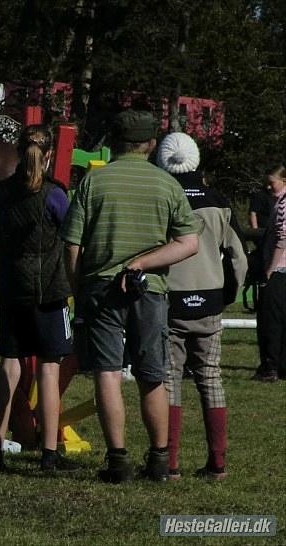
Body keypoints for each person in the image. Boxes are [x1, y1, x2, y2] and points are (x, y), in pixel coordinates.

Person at [60, 110, 200, 483]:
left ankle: (118, 460)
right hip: (149, 290)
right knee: (152, 374)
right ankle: (158, 459)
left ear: (114, 143)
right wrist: (144, 262)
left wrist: (79, 290)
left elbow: (72, 246)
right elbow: (189, 242)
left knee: (107, 373)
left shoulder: (93, 181)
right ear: (151, 144)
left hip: (100, 289)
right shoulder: (167, 184)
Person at [0, 124, 80, 474]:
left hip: (11, 287)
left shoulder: (2, 191)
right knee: (49, 369)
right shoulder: (55, 194)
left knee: (9, 365)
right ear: (50, 153)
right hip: (48, 290)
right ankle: (49, 454)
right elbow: (71, 236)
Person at [156, 132, 248, 481]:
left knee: (170, 380)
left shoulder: (164, 199)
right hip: (209, 300)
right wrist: (229, 294)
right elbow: (238, 257)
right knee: (210, 378)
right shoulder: (219, 202)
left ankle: (171, 463)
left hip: (170, 300)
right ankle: (218, 462)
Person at [253, 165, 286, 382]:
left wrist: (269, 270)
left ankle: (270, 366)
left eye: (272, 182)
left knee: (270, 321)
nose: (268, 186)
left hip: (280, 269)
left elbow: (282, 238)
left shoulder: (283, 204)